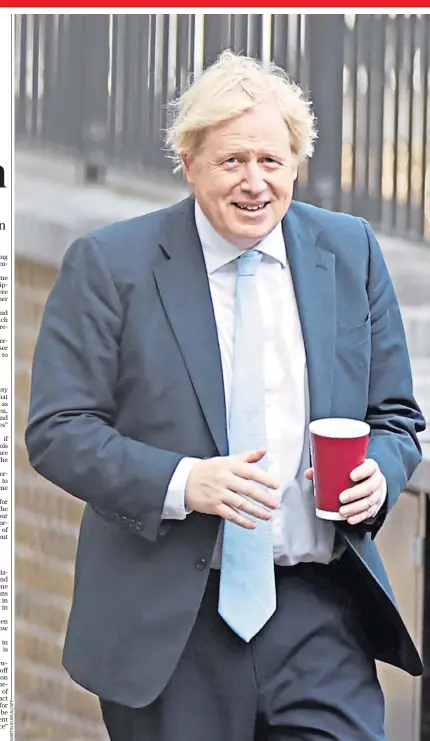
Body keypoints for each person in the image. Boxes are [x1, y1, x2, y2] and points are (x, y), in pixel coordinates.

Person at [26, 50, 425, 741]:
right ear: (189, 161)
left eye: (271, 161)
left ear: (297, 162)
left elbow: (396, 417)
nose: (254, 183)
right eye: (232, 161)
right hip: (173, 627)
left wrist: (379, 475)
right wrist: (186, 481)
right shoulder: (110, 266)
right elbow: (58, 429)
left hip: (318, 612)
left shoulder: (350, 251)